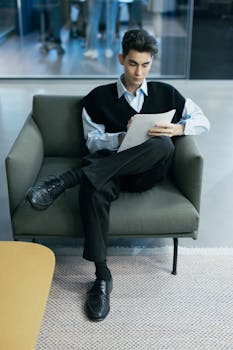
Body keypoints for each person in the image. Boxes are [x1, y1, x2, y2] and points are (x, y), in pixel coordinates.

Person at [26, 29, 210, 322]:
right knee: (94, 187)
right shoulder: (97, 99)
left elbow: (202, 120)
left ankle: (68, 179)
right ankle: (101, 278)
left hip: (147, 172)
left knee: (162, 144)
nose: (139, 72)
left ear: (152, 63)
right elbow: (93, 142)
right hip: (108, 171)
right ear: (122, 59)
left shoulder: (166, 93)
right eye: (133, 64)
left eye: (146, 65)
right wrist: (122, 136)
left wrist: (179, 128)